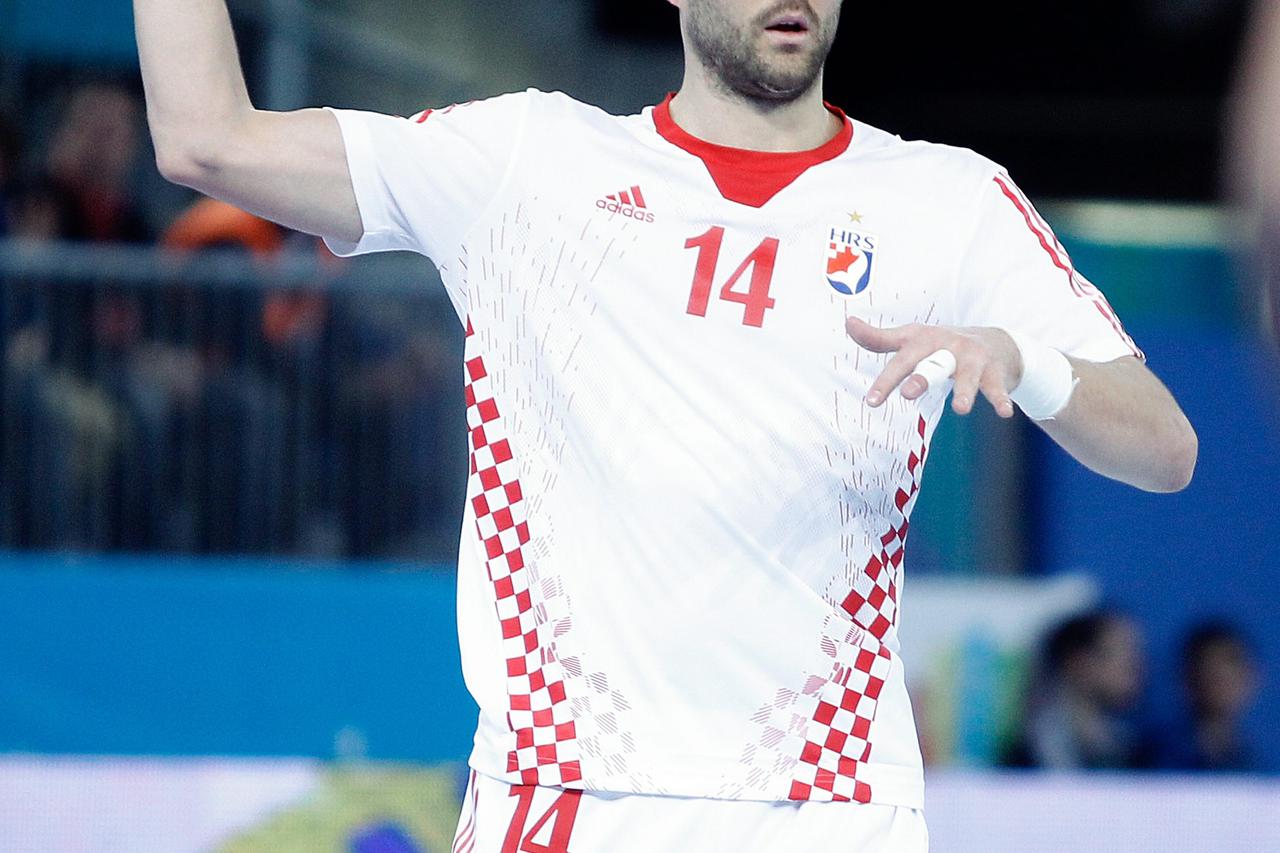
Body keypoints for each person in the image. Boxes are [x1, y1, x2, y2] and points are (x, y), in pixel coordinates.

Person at [133, 0, 1198, 848]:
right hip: (568, 797)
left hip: (830, 806)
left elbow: (1163, 449)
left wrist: (1028, 362)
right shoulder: (525, 162)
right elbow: (206, 141)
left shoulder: (948, 201)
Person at [1004, 610, 1154, 771]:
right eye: (1122, 652)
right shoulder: (1028, 756)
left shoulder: (1136, 750)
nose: (1135, 666)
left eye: (1135, 653)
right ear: (1077, 661)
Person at [1163, 621, 1262, 772]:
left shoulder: (1256, 769)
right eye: (1210, 670)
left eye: (1231, 666)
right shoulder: (1153, 758)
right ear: (1188, 678)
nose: (1221, 679)